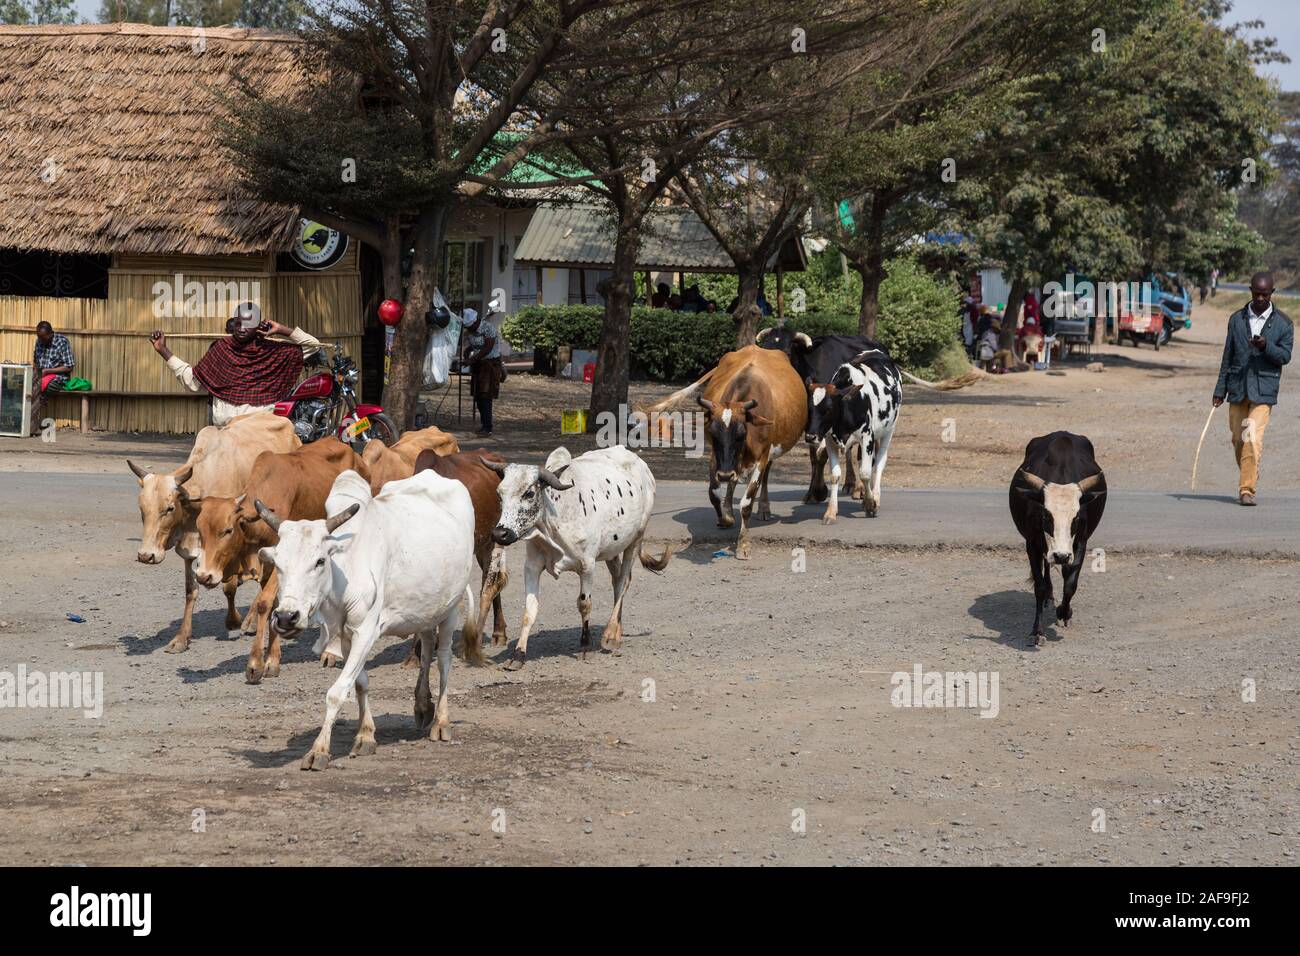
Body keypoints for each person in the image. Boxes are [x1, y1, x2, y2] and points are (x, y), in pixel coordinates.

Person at [150, 302, 321, 426]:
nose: (241, 328)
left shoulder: (273, 352)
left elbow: (313, 345)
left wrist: (282, 329)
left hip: (259, 432)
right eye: (239, 323)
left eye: (248, 324)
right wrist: (163, 350)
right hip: (225, 430)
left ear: (259, 326)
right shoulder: (222, 350)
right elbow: (193, 381)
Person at [1212, 272, 1293, 506]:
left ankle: (1246, 489)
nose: (1260, 298)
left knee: (1251, 438)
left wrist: (1267, 346)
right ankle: (1251, 470)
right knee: (1238, 439)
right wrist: (1220, 389)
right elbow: (1227, 356)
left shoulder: (1284, 323)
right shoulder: (1236, 319)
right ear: (1250, 291)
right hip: (1237, 388)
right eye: (1256, 293)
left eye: (1264, 294)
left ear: (1272, 294)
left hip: (1264, 390)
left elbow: (1285, 356)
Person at [462, 307, 504, 437]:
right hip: (479, 365)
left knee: (486, 395)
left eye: (470, 327)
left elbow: (487, 348)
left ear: (476, 322)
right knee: (478, 396)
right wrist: (468, 350)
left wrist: (471, 360)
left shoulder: (488, 328)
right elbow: (476, 345)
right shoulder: (471, 332)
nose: (469, 330)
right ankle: (484, 424)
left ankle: (488, 426)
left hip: (490, 364)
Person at [29, 321, 75, 436]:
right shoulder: (39, 341)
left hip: (57, 376)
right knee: (24, 384)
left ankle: (32, 425)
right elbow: (35, 360)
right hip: (41, 376)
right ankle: (27, 424)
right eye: (39, 337)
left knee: (40, 390)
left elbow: (69, 366)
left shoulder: (62, 342)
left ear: (51, 334)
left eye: (44, 338)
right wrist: (34, 371)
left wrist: (48, 371)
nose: (41, 341)